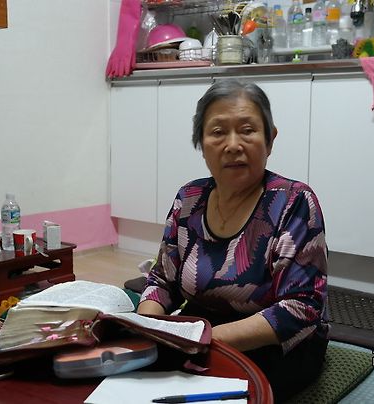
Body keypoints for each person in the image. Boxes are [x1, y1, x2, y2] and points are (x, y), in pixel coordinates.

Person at [137, 79, 329, 402]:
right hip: (202, 330)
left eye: (247, 130)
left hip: (276, 344)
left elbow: (300, 308)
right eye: (217, 132)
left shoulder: (294, 202)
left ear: (270, 139)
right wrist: (147, 329)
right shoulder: (189, 198)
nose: (233, 145)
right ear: (201, 143)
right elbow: (162, 280)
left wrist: (200, 339)